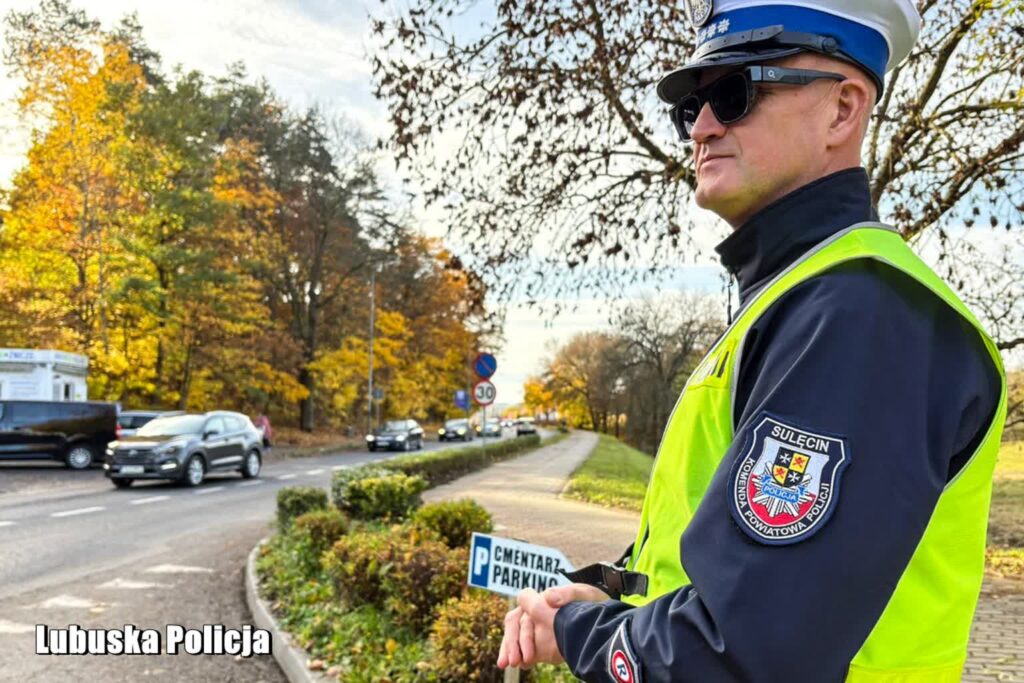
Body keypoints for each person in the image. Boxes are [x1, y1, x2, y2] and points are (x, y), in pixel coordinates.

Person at [497, 1, 1007, 681]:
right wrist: (615, 602)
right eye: (691, 106)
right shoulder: (797, 301)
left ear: (843, 110)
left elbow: (739, 652)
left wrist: (576, 630)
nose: (702, 127)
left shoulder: (863, 314)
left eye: (736, 93)